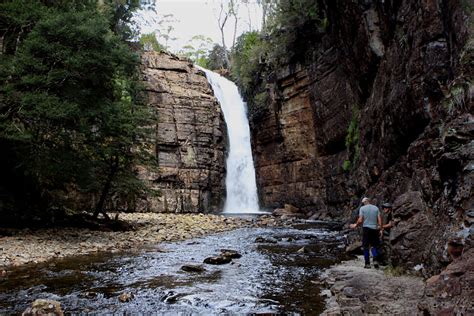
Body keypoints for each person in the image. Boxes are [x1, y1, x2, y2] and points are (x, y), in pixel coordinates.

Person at [350, 197, 382, 268]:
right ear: (369, 201)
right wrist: (380, 228)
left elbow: (360, 220)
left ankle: (367, 264)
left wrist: (355, 225)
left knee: (366, 246)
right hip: (375, 228)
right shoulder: (376, 208)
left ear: (364, 202)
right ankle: (375, 260)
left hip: (366, 229)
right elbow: (379, 219)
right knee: (374, 245)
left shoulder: (362, 208)